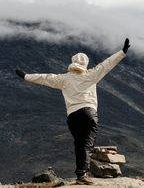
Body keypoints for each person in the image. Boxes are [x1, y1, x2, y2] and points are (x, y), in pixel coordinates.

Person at [15, 38, 130, 185]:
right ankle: (83, 174)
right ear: (86, 63)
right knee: (87, 144)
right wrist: (122, 52)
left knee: (79, 144)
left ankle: (80, 174)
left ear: (72, 62)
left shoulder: (64, 79)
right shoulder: (91, 75)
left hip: (73, 116)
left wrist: (26, 76)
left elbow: (45, 78)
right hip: (89, 113)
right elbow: (107, 64)